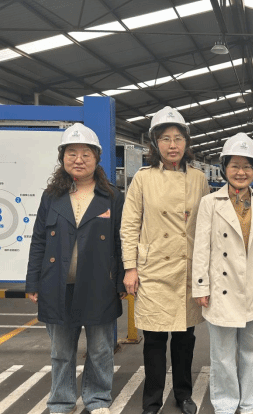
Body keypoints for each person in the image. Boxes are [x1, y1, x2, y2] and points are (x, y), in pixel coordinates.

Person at [25, 123, 125, 414]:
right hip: (57, 286)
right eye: (72, 153)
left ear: (96, 158)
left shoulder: (111, 197)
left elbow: (121, 241)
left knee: (100, 349)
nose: (78, 159)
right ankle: (61, 401)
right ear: (63, 158)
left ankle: (98, 399)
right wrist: (33, 282)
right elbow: (39, 240)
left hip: (99, 287)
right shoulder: (51, 196)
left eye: (85, 154)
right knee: (61, 352)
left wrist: (120, 281)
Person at [120, 106, 209, 414]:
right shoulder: (143, 179)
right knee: (155, 340)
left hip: (186, 269)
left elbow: (206, 226)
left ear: (186, 143)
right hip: (154, 269)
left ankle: (183, 393)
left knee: (185, 338)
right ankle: (152, 399)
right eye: (166, 139)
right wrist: (130, 267)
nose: (173, 145)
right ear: (155, 143)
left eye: (178, 138)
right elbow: (130, 224)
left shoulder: (198, 179)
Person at [192, 132, 253, 414]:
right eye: (235, 166)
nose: (241, 172)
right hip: (222, 287)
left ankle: (247, 404)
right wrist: (201, 285)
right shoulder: (210, 203)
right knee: (222, 354)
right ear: (224, 168)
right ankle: (225, 405)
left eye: (247, 166)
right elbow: (201, 247)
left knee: (252, 352)